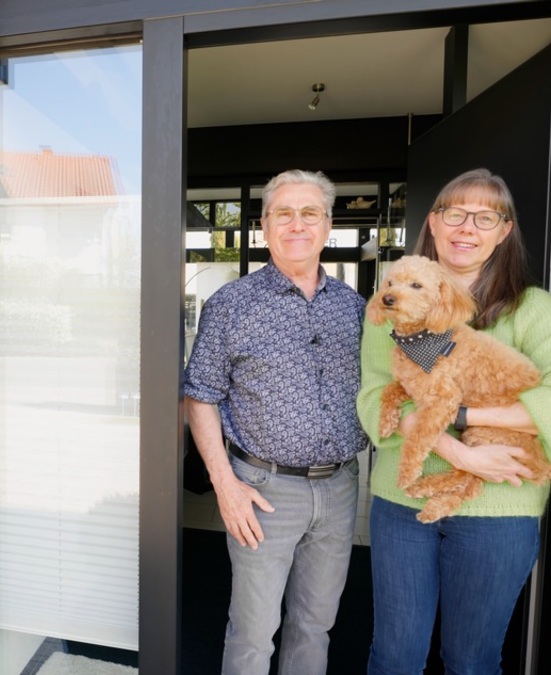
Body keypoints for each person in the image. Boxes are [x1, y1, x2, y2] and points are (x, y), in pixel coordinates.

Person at [357, 168, 551, 675]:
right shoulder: (391, 308)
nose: (466, 227)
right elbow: (372, 400)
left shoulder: (531, 310)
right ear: (433, 223)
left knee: (471, 661)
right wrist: (459, 450)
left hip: (500, 512)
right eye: (454, 213)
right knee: (394, 658)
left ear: (504, 231)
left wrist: (466, 415)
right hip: (401, 505)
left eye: (485, 216)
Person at [184, 169, 369, 674]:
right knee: (252, 633)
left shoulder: (358, 309)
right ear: (265, 227)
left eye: (309, 213)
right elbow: (199, 396)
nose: (296, 224)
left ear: (327, 225)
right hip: (261, 491)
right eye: (283, 213)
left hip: (340, 487)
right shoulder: (231, 305)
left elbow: (424, 356)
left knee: (315, 626)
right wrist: (225, 486)